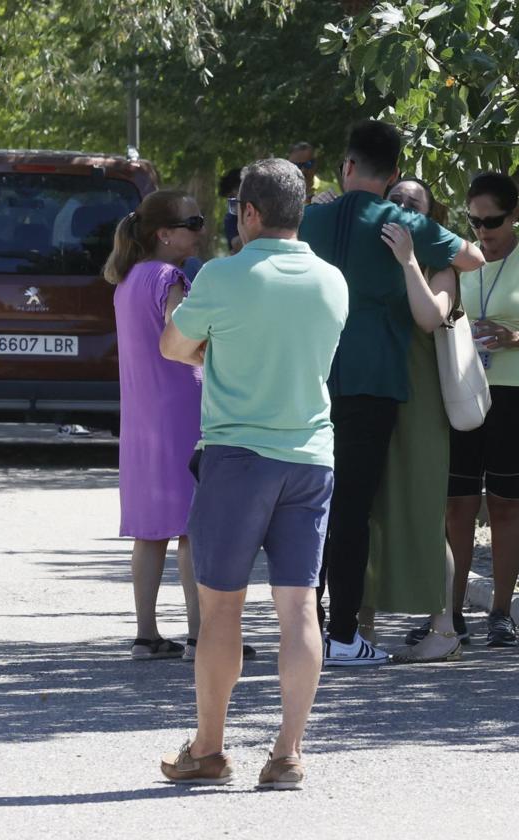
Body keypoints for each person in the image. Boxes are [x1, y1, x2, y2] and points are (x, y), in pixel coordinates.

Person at [159, 158, 348, 789]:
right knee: (299, 610)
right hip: (311, 458)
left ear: (249, 213)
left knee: (221, 612)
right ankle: (288, 752)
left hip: (238, 458)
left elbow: (173, 345)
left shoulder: (222, 275)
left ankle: (208, 750)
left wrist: (217, 346)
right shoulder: (332, 281)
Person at [298, 119, 483, 667]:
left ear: (347, 165)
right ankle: (343, 634)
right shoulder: (400, 222)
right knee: (355, 508)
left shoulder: (312, 218)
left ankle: (303, 626)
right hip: (375, 383)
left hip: (311, 378)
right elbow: (472, 257)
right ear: (395, 173)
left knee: (312, 506)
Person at [445, 172, 519, 647]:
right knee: (457, 503)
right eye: (473, 220)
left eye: (491, 220)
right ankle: (450, 612)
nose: (482, 231)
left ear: (514, 213)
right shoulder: (460, 259)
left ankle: (500, 611)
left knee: (506, 502)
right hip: (462, 391)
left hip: (517, 392)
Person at [358, 177, 462, 663]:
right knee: (366, 509)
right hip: (370, 394)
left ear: (428, 216)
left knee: (423, 512)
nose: (401, 209)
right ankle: (359, 626)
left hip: (419, 402)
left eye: (412, 204)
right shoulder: (363, 259)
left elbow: (428, 317)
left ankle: (444, 629)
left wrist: (408, 262)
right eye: (393, 201)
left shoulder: (440, 266)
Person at [104, 190, 205, 660]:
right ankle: (200, 635)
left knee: (150, 531)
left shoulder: (127, 278)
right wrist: (212, 352)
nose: (199, 230)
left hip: (141, 412)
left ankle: (146, 634)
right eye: (192, 222)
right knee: (191, 525)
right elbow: (177, 333)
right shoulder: (170, 277)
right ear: (164, 234)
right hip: (180, 407)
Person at [218, 167, 243, 254]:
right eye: (229, 198)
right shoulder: (231, 217)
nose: (232, 201)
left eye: (233, 196)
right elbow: (236, 245)